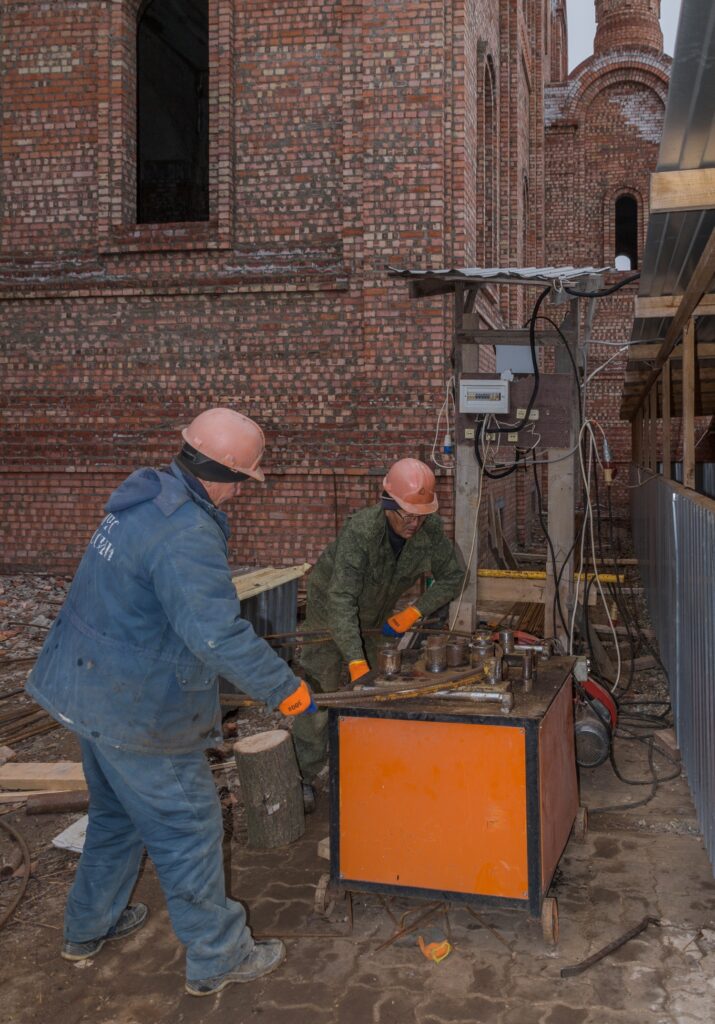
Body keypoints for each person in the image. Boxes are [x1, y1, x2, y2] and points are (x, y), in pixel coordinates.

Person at [27, 408, 316, 998]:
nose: (240, 492)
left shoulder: (143, 499)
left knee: (115, 818)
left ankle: (89, 926)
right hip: (135, 709)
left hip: (87, 689)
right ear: (219, 471)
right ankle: (217, 955)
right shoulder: (186, 531)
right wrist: (285, 688)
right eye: (241, 480)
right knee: (189, 828)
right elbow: (214, 634)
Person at [293, 458, 464, 800]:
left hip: (375, 616)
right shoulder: (361, 531)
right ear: (388, 504)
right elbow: (341, 598)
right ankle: (303, 777)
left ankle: (368, 766)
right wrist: (355, 660)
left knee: (376, 691)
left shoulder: (428, 531)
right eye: (407, 514)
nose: (414, 523)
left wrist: (415, 611)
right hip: (330, 613)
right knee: (319, 695)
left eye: (421, 514)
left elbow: (454, 575)